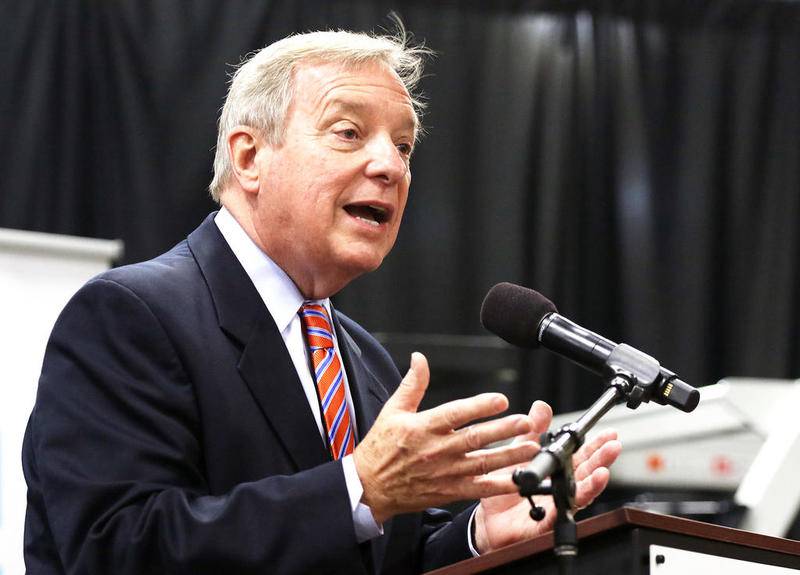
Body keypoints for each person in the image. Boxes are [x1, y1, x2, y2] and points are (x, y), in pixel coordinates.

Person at [22, 27, 621, 574]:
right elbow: (116, 550)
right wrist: (359, 487)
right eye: (349, 132)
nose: (390, 165)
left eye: (405, 146)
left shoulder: (363, 360)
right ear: (250, 156)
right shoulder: (131, 316)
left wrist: (475, 537)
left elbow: (371, 557)